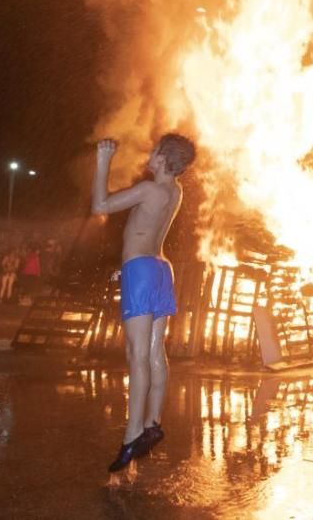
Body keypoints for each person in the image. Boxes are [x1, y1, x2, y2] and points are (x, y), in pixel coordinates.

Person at [91, 133, 195, 473]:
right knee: (154, 353)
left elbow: (100, 206)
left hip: (141, 270)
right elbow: (146, 232)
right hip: (160, 269)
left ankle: (132, 433)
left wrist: (103, 161)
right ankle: (152, 422)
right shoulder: (175, 191)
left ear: (164, 159)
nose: (148, 154)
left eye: (154, 151)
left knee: (137, 354)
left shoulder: (151, 190)